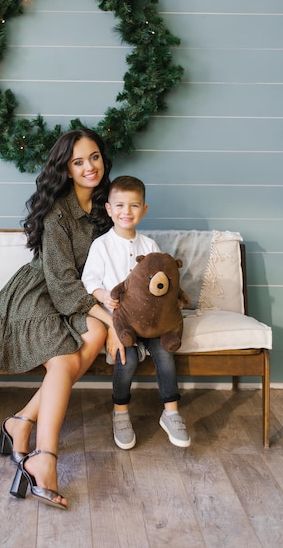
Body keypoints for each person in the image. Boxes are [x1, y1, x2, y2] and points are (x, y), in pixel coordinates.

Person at [0, 128, 120, 510]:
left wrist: (113, 315)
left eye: (94, 157)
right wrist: (116, 322)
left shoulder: (108, 205)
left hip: (80, 296)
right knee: (67, 359)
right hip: (40, 293)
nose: (89, 167)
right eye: (78, 161)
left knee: (95, 335)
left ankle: (20, 422)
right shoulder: (57, 211)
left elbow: (115, 260)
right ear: (66, 169)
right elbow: (64, 286)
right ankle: (44, 458)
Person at [81, 175, 191, 451]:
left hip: (152, 322)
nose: (126, 212)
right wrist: (103, 295)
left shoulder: (149, 246)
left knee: (165, 354)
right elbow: (89, 280)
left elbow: (161, 281)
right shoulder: (102, 246)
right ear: (108, 209)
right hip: (121, 323)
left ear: (144, 210)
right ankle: (120, 413)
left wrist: (173, 301)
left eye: (133, 206)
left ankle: (171, 412)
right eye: (119, 206)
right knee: (126, 359)